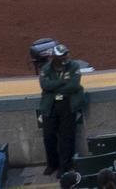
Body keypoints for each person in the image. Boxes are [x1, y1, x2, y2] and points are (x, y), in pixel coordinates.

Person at [36, 41, 87, 178]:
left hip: (67, 105)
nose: (66, 57)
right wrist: (62, 82)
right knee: (49, 137)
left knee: (67, 137)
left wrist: (55, 88)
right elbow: (44, 85)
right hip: (50, 106)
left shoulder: (74, 66)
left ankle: (65, 166)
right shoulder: (46, 69)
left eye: (66, 54)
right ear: (55, 58)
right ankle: (52, 164)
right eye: (63, 55)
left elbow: (74, 86)